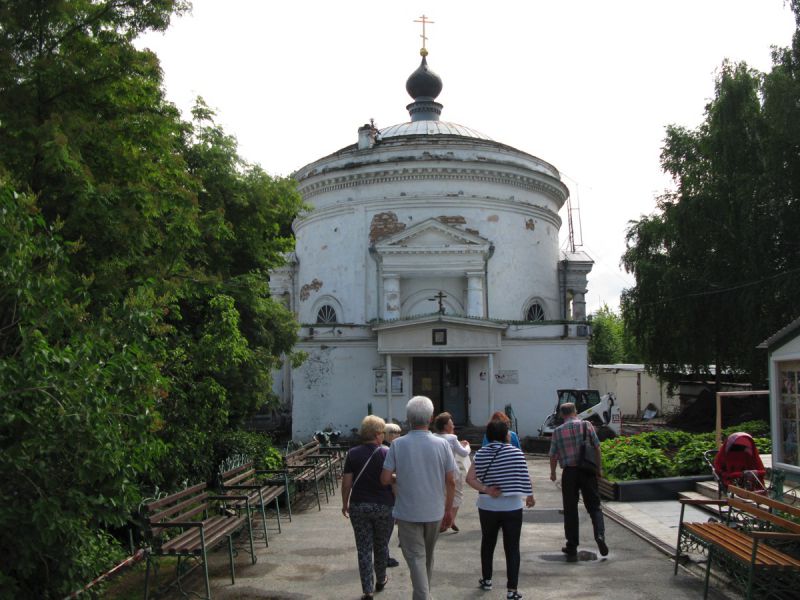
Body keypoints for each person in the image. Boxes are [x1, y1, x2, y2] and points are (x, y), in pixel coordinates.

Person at [381, 396, 456, 600]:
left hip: (407, 512)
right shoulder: (442, 445)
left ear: (408, 419)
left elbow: (385, 478)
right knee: (426, 558)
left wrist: (400, 476)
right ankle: (423, 595)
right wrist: (449, 510)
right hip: (434, 511)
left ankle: (423, 596)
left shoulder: (398, 444)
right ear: (431, 418)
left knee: (416, 559)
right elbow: (451, 481)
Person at [466, 419, 534, 600]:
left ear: (488, 435)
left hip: (487, 506)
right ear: (506, 435)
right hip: (512, 506)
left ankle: (487, 580)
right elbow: (525, 476)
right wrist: (530, 495)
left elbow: (470, 479)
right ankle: (512, 590)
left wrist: (487, 489)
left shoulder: (480, 453)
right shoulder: (516, 453)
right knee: (512, 547)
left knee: (488, 543)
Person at [341, 415, 395, 600]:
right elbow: (393, 483)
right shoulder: (387, 453)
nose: (384, 435)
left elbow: (347, 483)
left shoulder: (352, 454)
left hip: (359, 506)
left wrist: (345, 503)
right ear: (377, 434)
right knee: (381, 545)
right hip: (384, 506)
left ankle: (367, 590)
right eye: (383, 432)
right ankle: (381, 579)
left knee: (363, 548)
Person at [548, 402, 608, 561]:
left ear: (562, 414)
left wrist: (553, 472)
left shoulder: (557, 431)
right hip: (587, 470)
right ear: (575, 412)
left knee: (570, 510)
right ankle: (600, 535)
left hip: (569, 473)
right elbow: (597, 447)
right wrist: (598, 469)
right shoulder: (586, 425)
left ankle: (572, 545)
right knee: (594, 506)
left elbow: (553, 455)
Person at [433, 411, 471, 532]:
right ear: (445, 426)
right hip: (452, 470)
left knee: (441, 495)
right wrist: (467, 446)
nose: (453, 425)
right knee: (457, 495)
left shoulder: (433, 436)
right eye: (451, 423)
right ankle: (450, 520)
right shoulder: (452, 437)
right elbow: (463, 453)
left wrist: (458, 443)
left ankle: (441, 521)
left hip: (436, 470)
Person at [382, 422, 403, 567]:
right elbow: (391, 476)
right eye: (396, 432)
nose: (399, 435)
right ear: (389, 434)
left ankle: (384, 555)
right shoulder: (388, 450)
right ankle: (384, 557)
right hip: (388, 494)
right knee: (385, 531)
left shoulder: (389, 448)